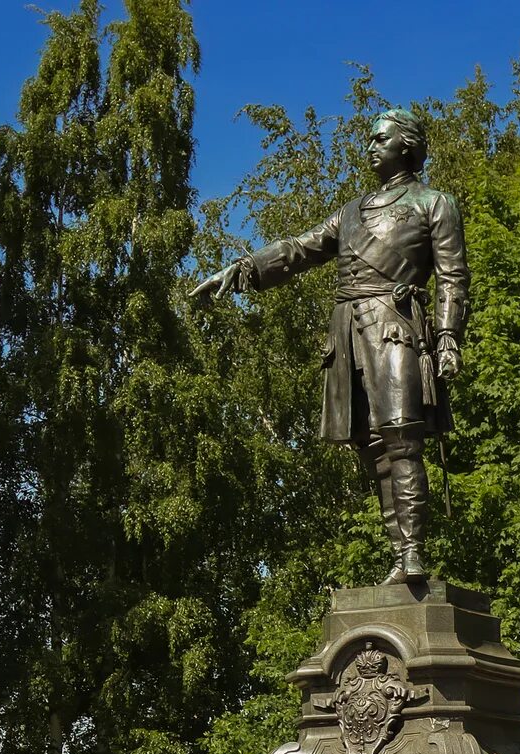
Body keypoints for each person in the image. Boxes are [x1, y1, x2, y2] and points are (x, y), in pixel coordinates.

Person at [192, 106, 467, 584]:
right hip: (348, 334)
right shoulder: (351, 213)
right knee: (372, 447)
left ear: (407, 144)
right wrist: (242, 271)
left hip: (395, 325)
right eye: (370, 139)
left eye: (380, 138)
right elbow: (300, 249)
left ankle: (414, 552)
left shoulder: (434, 203)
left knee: (402, 438)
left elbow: (453, 277)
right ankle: (399, 556)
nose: (370, 146)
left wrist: (447, 337)